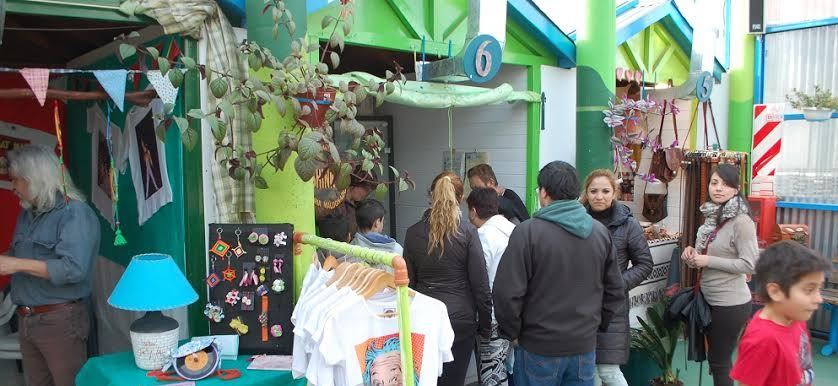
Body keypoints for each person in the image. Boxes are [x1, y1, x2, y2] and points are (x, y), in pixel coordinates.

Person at [493, 161, 625, 386]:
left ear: (543, 193)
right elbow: (615, 291)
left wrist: (513, 333)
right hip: (583, 348)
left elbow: (506, 293)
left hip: (538, 347)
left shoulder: (527, 233)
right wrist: (594, 328)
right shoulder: (600, 233)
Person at [0, 144, 100, 386]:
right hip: (28, 318)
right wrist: (10, 260)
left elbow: (73, 269)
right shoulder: (28, 212)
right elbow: (18, 253)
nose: (13, 188)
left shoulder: (74, 213)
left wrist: (16, 264)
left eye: (17, 181)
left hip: (61, 320)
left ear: (36, 179)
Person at [403, 171, 492, 386]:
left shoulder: (413, 233)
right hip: (460, 321)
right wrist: (485, 326)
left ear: (430, 196)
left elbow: (409, 285)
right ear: (460, 199)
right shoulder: (468, 232)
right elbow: (480, 286)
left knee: (425, 380)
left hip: (424, 318)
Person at [681, 163, 758, 386]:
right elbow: (701, 262)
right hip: (707, 298)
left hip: (731, 303)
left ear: (736, 189)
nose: (719, 188)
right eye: (715, 183)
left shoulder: (742, 222)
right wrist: (692, 256)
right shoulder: (711, 217)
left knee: (719, 361)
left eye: (726, 184)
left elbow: (749, 264)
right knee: (717, 360)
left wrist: (708, 260)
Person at [581, 169, 653, 386]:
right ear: (586, 193)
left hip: (612, 308)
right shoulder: (577, 221)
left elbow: (645, 264)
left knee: (609, 370)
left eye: (605, 191)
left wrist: (618, 284)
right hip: (580, 306)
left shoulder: (628, 224)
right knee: (588, 369)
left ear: (614, 193)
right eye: (593, 191)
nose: (599, 196)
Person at [730, 241, 830, 386]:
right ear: (776, 292)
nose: (819, 299)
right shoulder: (762, 340)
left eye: (819, 289)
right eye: (809, 290)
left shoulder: (796, 317)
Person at [466, 187, 516, 386]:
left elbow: (480, 280)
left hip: (492, 315)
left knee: (491, 375)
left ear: (473, 211)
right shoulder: (514, 230)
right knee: (507, 368)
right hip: (515, 313)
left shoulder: (483, 236)